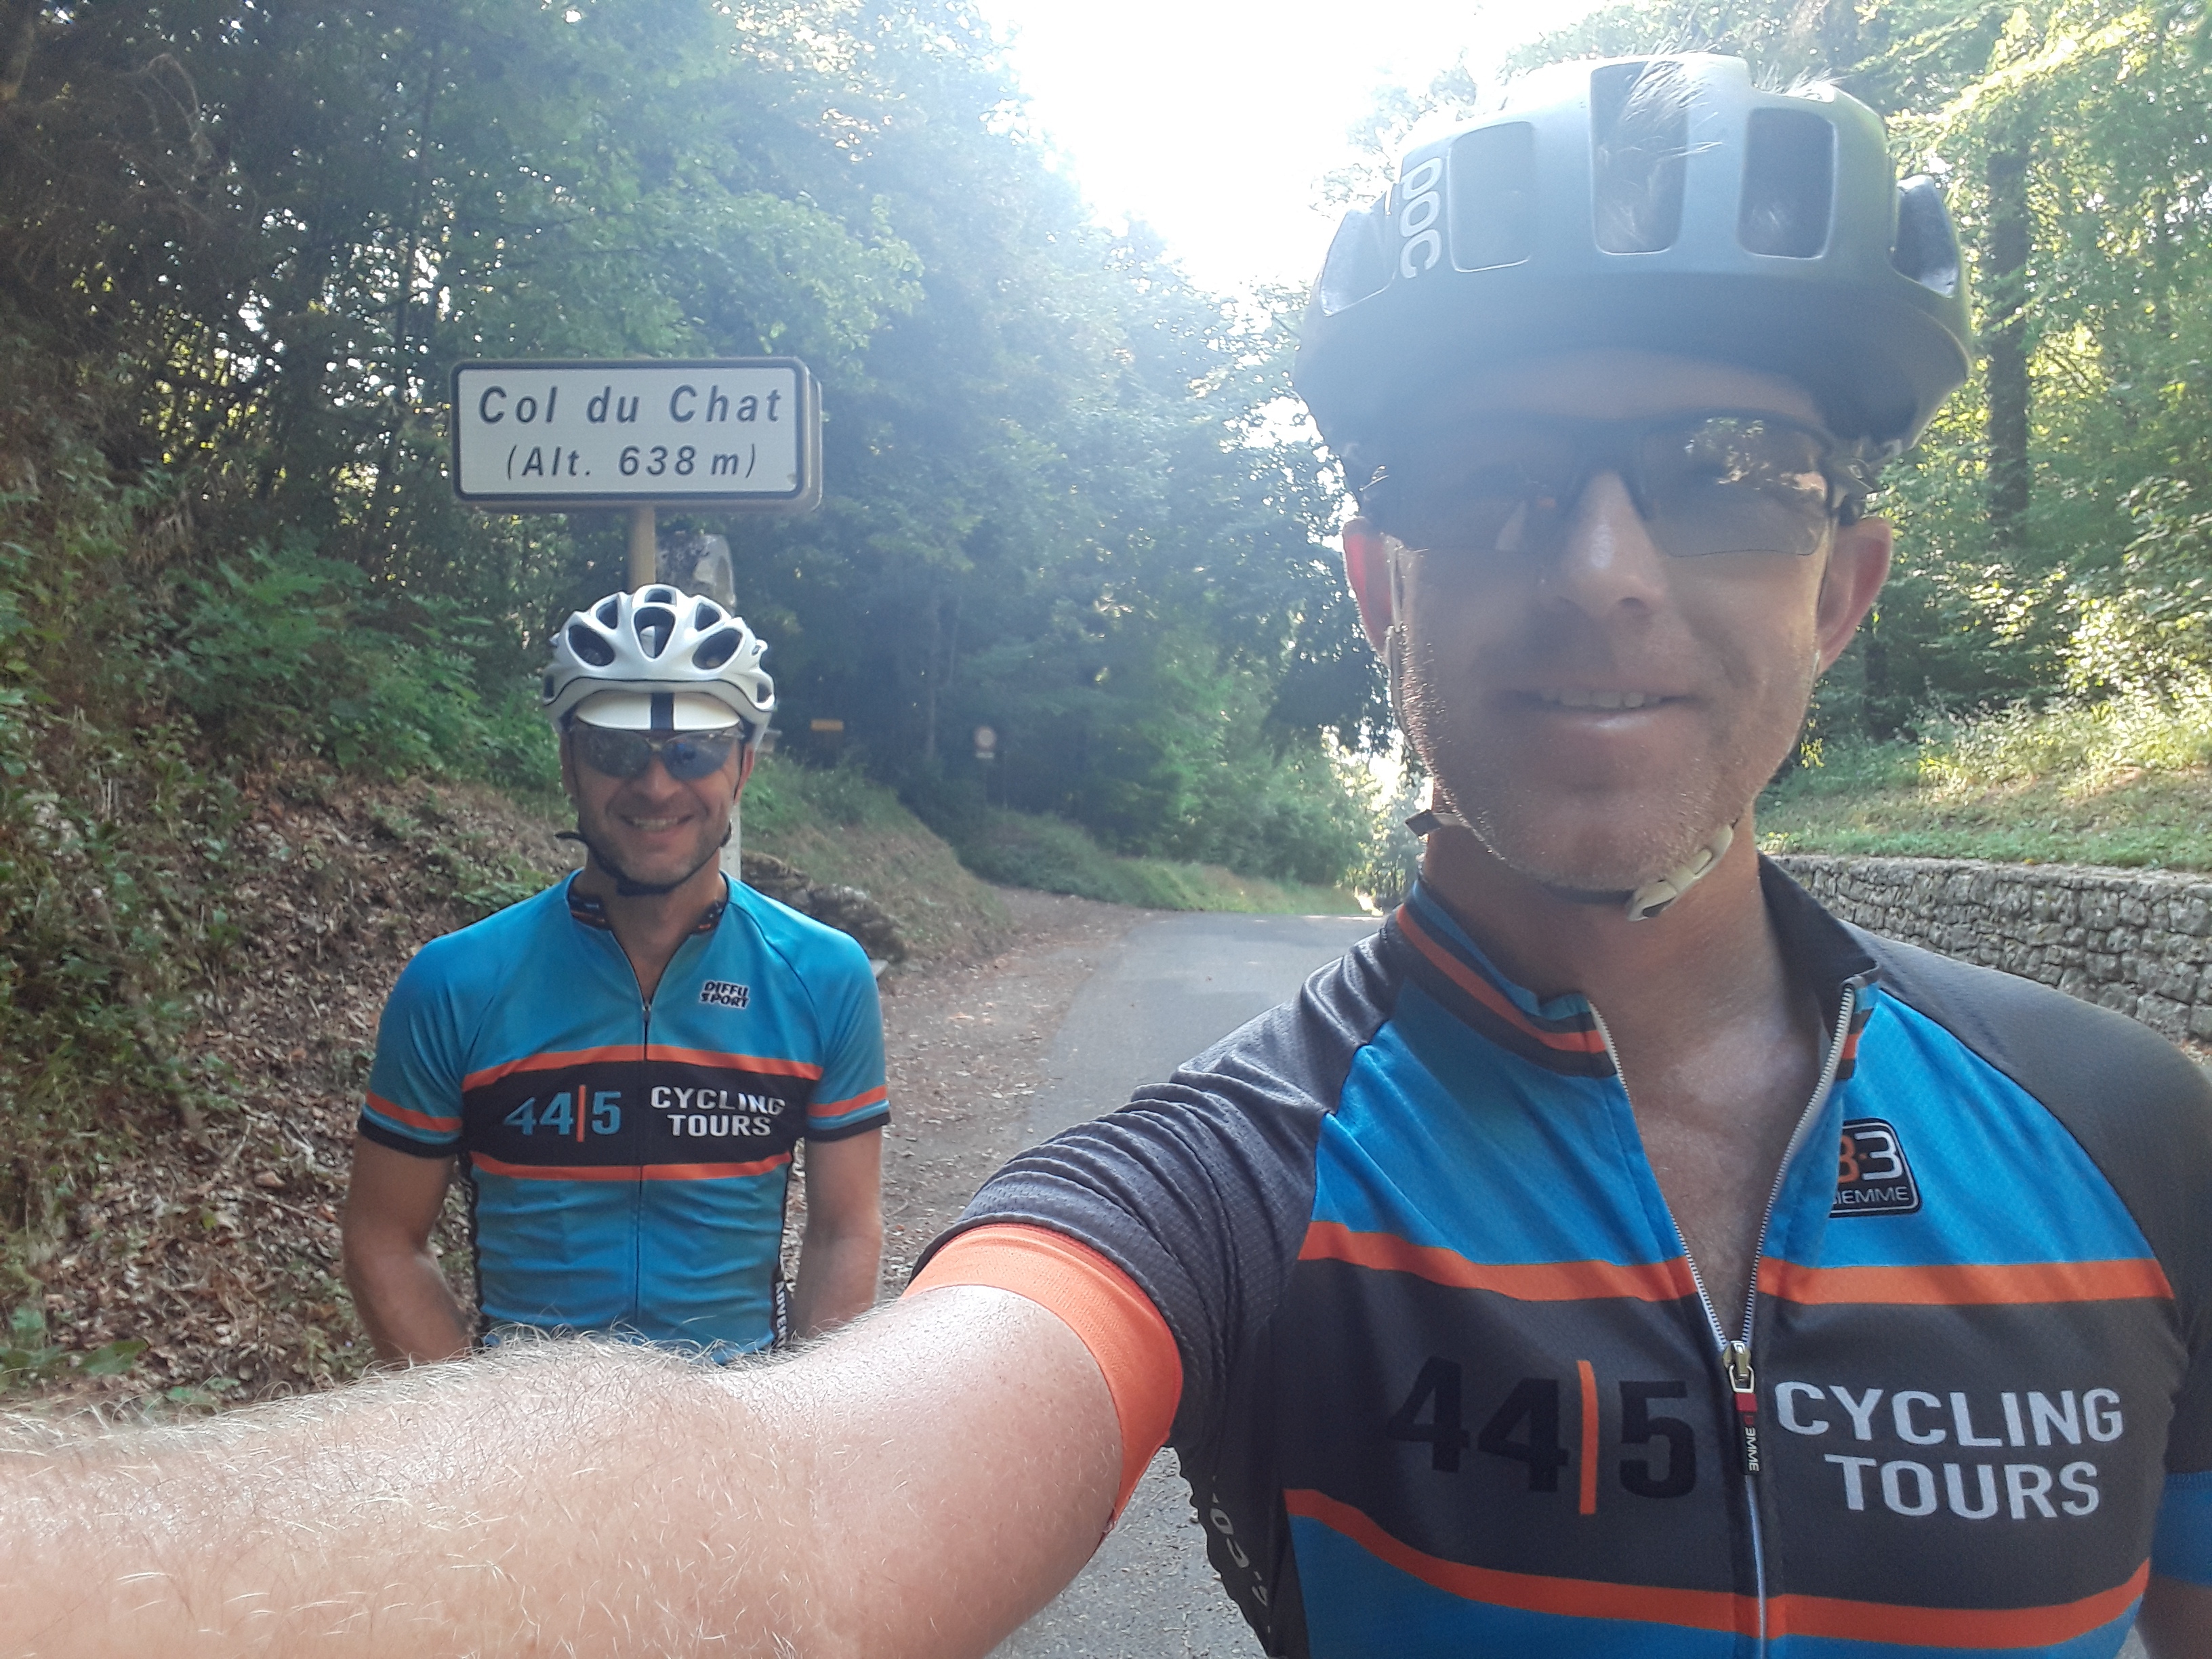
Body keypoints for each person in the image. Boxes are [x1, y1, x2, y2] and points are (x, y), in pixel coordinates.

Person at [3, 54, 2209, 1659]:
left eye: (1732, 470)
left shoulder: (2140, 1140)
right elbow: (784, 1512)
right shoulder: (1228, 1179)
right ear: (1378, 585)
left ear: (1844, 583)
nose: (1607, 566)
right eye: (1493, 470)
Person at [340, 583, 888, 1361]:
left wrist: (804, 1417)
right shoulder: (456, 983)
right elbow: (383, 1237)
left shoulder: (823, 975)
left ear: (743, 767)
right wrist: (475, 1421)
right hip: (529, 1422)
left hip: (736, 1418)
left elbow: (844, 1230)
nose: (656, 785)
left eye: (694, 750)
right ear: (568, 762)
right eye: (616, 749)